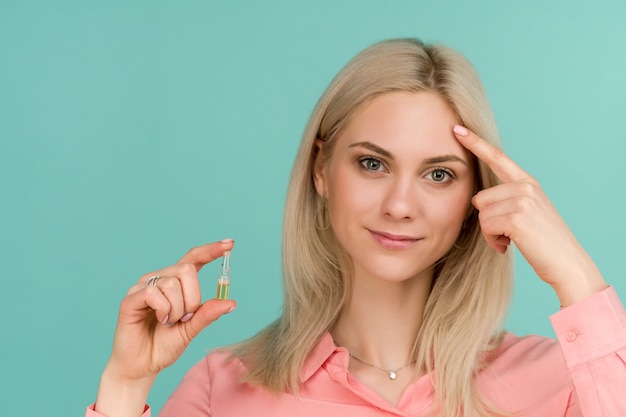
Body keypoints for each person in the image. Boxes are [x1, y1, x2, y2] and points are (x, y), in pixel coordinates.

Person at [86, 38, 626, 417]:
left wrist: (579, 280)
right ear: (321, 169)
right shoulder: (221, 389)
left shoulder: (564, 381)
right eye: (373, 164)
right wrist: (126, 382)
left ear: (475, 197)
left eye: (439, 174)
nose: (399, 205)